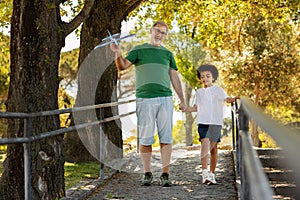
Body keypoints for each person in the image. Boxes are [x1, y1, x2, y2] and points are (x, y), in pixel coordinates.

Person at [110, 21, 186, 187]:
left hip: (165, 99)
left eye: (163, 33)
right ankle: (147, 173)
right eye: (157, 31)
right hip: (144, 99)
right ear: (151, 31)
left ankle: (165, 174)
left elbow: (174, 78)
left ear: (165, 36)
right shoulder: (139, 50)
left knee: (166, 137)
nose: (159, 35)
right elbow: (122, 66)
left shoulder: (167, 54)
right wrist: (117, 52)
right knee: (146, 139)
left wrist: (182, 100)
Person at [184, 64, 238, 185]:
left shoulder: (218, 90)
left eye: (208, 76)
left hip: (216, 123)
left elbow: (227, 99)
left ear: (213, 77)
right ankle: (204, 173)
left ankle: (212, 174)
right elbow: (196, 107)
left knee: (213, 150)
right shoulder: (199, 92)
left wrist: (235, 99)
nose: (205, 79)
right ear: (200, 78)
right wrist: (186, 109)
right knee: (205, 144)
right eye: (202, 76)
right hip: (203, 122)